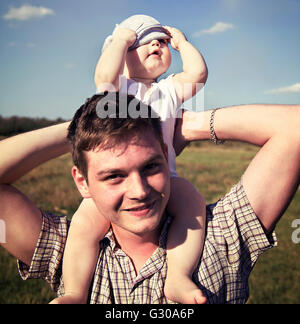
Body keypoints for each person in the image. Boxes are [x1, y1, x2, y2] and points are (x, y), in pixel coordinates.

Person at [0, 93, 299, 304]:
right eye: (114, 176)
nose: (140, 191)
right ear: (83, 182)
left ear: (166, 157)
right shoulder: (70, 252)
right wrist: (77, 132)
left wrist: (188, 125)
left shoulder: (221, 235)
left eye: (151, 166)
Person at [55, 14, 209, 304]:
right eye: (144, 41)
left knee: (192, 202)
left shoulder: (168, 90)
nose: (157, 45)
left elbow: (198, 75)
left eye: (162, 41)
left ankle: (177, 275)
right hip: (118, 180)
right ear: (122, 55)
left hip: (164, 177)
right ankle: (75, 292)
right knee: (85, 224)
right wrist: (120, 40)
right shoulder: (118, 89)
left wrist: (183, 43)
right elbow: (102, 77)